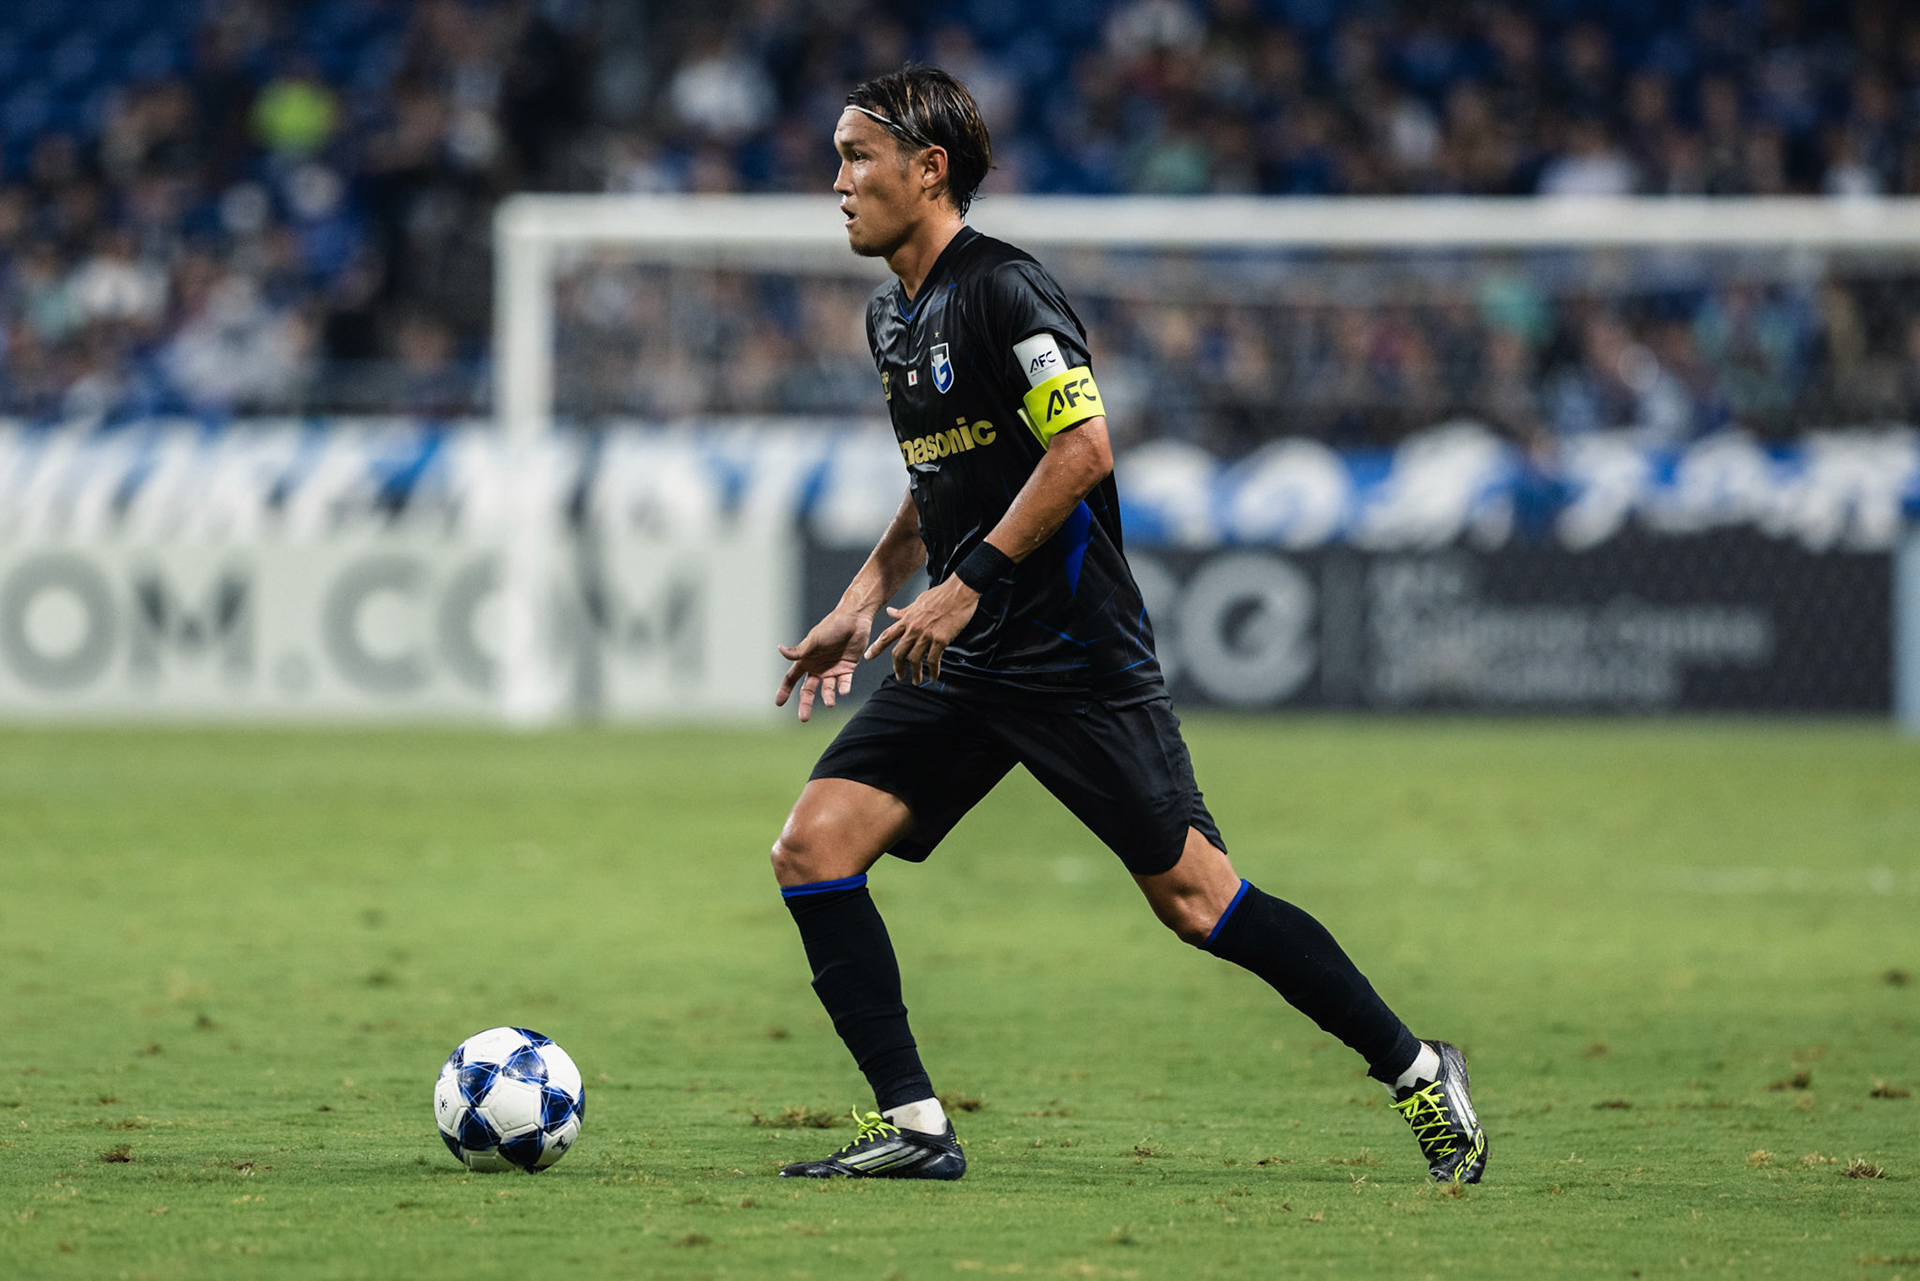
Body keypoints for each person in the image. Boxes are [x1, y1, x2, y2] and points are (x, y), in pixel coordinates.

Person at [768, 66, 1487, 1185]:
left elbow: (1084, 450)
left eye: (858, 157)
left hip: (1070, 655)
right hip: (962, 653)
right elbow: (940, 474)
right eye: (838, 158)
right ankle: (915, 1125)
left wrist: (968, 583)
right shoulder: (891, 315)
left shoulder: (1007, 290)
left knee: (1198, 902)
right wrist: (867, 593)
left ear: (929, 169)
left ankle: (1417, 1068)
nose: (839, 181)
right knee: (813, 846)